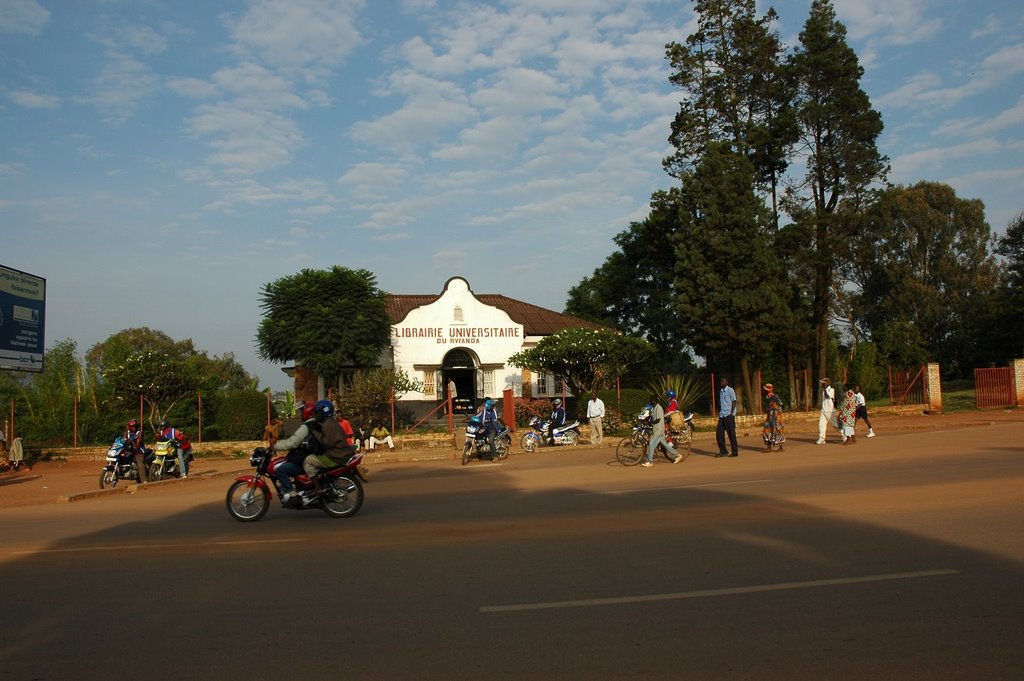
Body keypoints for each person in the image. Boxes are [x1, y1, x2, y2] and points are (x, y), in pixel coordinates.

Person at [303, 400, 356, 496]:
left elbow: (326, 442)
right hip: (342, 452)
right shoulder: (332, 422)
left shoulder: (327, 425)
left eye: (318, 413)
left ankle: (318, 487)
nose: (316, 415)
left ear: (324, 412)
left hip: (336, 456)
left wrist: (314, 431)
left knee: (307, 460)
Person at [270, 401, 317, 505]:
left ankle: (292, 495)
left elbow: (293, 442)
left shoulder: (307, 426)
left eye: (301, 411)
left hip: (307, 459)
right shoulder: (316, 423)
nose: (300, 414)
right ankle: (296, 488)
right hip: (309, 456)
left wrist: (275, 446)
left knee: (281, 469)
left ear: (307, 412)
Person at [642, 394, 682, 467]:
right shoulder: (654, 408)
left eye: (651, 400)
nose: (650, 401)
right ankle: (678, 455)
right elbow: (651, 416)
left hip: (659, 429)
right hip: (656, 429)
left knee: (651, 444)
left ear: (654, 400)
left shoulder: (659, 408)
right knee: (665, 445)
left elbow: (658, 419)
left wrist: (650, 422)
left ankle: (650, 461)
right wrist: (645, 420)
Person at [715, 377, 739, 458]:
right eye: (720, 381)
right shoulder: (721, 391)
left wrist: (732, 413)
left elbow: (734, 401)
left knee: (731, 433)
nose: (721, 382)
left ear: (726, 382)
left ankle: (735, 451)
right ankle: (723, 451)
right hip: (722, 414)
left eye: (723, 381)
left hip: (729, 414)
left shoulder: (730, 390)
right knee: (719, 432)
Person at [761, 383, 785, 452]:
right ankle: (769, 446)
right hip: (770, 416)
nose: (764, 390)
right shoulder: (768, 396)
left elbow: (778, 407)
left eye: (765, 389)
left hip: (776, 416)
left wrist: (775, 416)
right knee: (766, 430)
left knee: (778, 430)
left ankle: (780, 447)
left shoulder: (773, 397)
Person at [816, 377, 840, 445]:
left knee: (835, 425)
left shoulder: (831, 390)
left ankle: (845, 436)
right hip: (823, 410)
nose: (822, 385)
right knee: (821, 425)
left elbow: (827, 396)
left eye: (823, 383)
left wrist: (825, 390)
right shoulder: (824, 390)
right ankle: (822, 438)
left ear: (827, 383)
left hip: (830, 411)